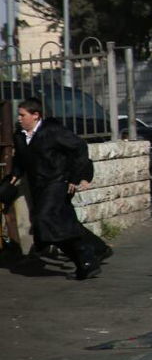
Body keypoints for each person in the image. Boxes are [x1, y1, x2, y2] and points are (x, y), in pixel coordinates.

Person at [2, 97, 112, 279]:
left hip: (58, 182)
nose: (19, 118)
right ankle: (97, 250)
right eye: (18, 115)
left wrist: (76, 177)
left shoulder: (52, 131)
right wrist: (14, 175)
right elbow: (22, 160)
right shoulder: (20, 136)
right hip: (39, 186)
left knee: (46, 220)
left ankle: (86, 258)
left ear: (36, 115)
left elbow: (79, 148)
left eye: (23, 115)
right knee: (64, 221)